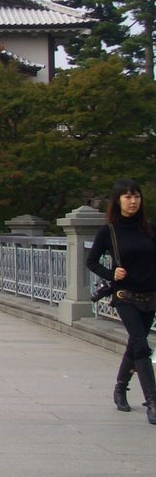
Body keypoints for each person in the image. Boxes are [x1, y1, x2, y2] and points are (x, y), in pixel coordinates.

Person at [86, 178, 156, 424]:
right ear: (118, 201)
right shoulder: (110, 231)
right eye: (127, 197)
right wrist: (111, 273)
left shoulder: (149, 229)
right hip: (124, 296)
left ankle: (120, 388)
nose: (133, 201)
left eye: (136, 196)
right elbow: (91, 261)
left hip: (150, 296)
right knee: (141, 344)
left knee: (135, 345)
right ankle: (152, 401)